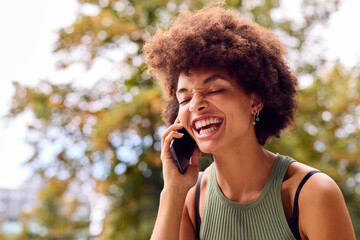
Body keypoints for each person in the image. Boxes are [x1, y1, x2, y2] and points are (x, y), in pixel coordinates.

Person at [143, 1, 356, 239]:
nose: (196, 105)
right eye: (184, 99)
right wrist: (172, 191)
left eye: (214, 90)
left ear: (255, 101)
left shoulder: (311, 193)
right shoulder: (189, 199)